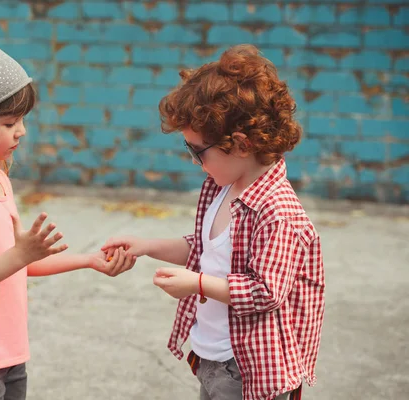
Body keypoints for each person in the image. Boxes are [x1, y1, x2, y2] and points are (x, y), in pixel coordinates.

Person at [0, 34, 135, 400]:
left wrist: (88, 260)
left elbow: (16, 263)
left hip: (10, 350)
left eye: (22, 120)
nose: (22, 131)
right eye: (10, 122)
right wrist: (21, 254)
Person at [102, 45, 324, 400]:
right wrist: (146, 246)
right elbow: (205, 248)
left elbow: (266, 292)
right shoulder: (222, 188)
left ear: (239, 144)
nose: (193, 161)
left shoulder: (278, 213)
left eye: (196, 151)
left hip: (251, 370)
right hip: (215, 358)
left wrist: (198, 284)